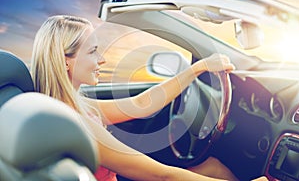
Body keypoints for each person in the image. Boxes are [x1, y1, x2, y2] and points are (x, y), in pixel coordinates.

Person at [30, 15, 268, 181]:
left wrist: (198, 68)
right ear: (65, 60)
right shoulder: (78, 124)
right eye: (93, 51)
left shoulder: (74, 104)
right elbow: (161, 176)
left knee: (211, 167)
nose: (102, 59)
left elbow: (141, 105)